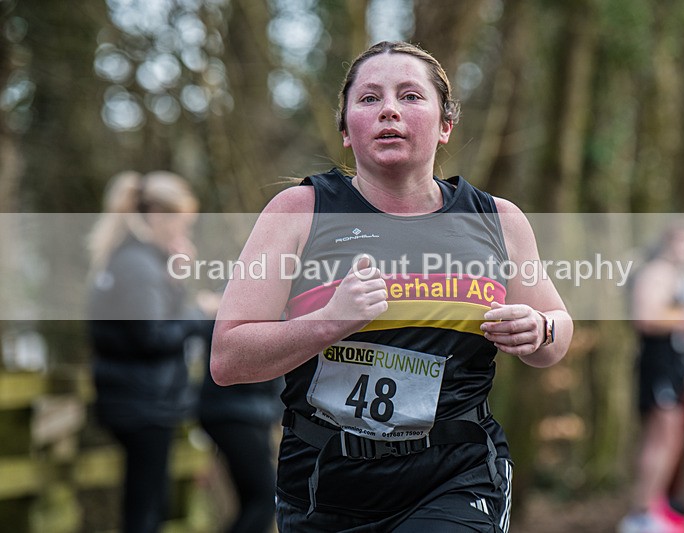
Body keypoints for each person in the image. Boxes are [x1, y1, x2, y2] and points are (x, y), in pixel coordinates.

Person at [211, 40, 573, 532]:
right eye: (368, 99)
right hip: (325, 482)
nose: (388, 111)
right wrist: (328, 322)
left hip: (458, 475)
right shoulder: (299, 212)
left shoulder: (497, 221)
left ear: (446, 125)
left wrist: (539, 329)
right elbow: (228, 359)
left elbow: (557, 331)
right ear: (345, 131)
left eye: (410, 96)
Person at [86, 170, 210, 533]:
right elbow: (153, 337)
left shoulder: (127, 258)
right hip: (144, 402)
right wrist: (197, 313)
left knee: (145, 501)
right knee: (146, 508)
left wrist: (176, 277)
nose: (184, 234)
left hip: (133, 397)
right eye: (182, 224)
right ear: (159, 217)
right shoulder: (139, 266)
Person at [618, 223, 684, 533]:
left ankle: (655, 506)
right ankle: (641, 514)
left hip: (675, 364)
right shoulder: (656, 272)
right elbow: (645, 318)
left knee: (673, 438)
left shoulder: (682, 277)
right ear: (669, 243)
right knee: (662, 437)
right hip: (657, 362)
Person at [196, 312, 284, 533]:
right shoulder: (248, 311)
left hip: (239, 413)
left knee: (253, 500)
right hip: (238, 414)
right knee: (263, 500)